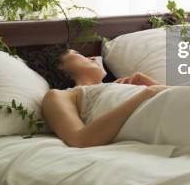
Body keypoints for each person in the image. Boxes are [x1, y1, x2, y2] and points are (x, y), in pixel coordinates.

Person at [34, 49, 168, 148]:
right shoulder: (60, 95)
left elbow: (178, 94)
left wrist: (147, 82)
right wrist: (145, 93)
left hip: (167, 106)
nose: (92, 57)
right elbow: (80, 140)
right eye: (76, 53)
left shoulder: (121, 85)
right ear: (59, 65)